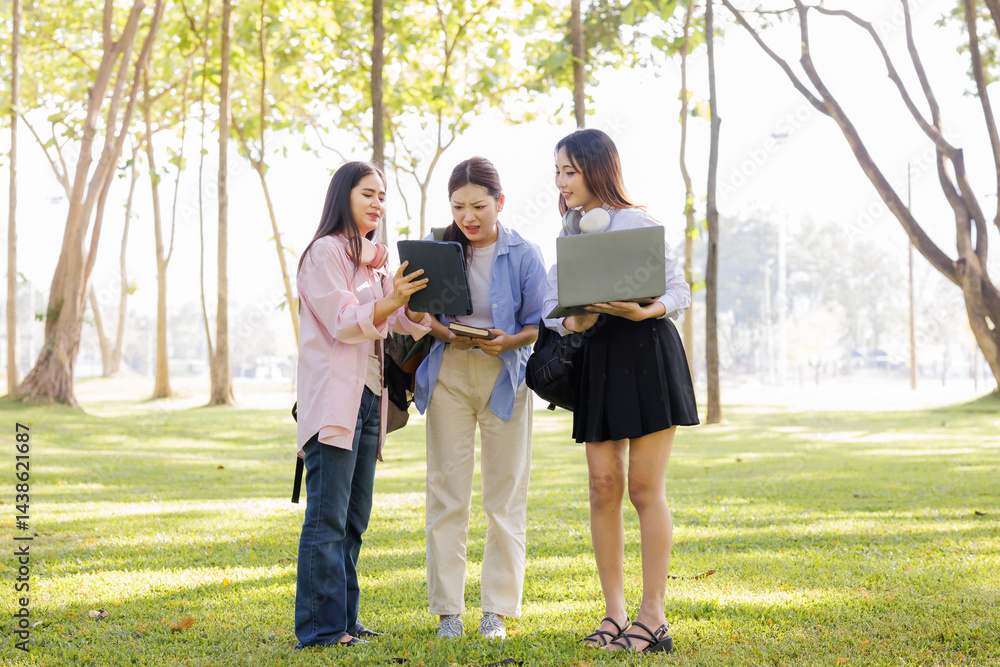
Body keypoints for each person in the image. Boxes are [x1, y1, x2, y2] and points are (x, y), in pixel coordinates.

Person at [542, 129, 699, 654]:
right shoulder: (569, 233)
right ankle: (614, 614)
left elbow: (680, 290)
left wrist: (643, 309)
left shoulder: (639, 221)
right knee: (602, 486)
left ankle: (653, 618)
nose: (561, 182)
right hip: (600, 359)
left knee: (643, 489)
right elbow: (549, 308)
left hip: (648, 352)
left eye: (569, 171)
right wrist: (576, 319)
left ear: (595, 168)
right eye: (558, 172)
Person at [294, 161, 433, 649]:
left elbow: (396, 324)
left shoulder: (371, 264)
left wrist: (412, 304)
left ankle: (346, 621)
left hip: (371, 399)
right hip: (336, 401)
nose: (377, 203)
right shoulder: (324, 254)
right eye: (367, 194)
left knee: (353, 519)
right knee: (326, 518)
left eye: (382, 196)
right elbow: (345, 321)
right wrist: (390, 299)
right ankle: (320, 630)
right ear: (343, 197)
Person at [413, 156, 547, 640]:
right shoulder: (437, 247)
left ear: (499, 202)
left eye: (477, 206)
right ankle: (449, 610)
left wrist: (508, 341)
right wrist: (439, 330)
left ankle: (496, 611)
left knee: (504, 494)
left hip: (504, 375)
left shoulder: (525, 254)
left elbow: (538, 323)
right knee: (446, 492)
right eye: (457, 207)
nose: (467, 217)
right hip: (449, 371)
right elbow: (417, 311)